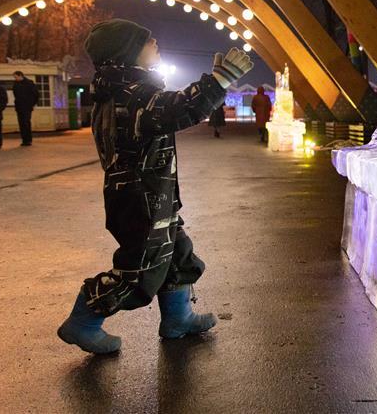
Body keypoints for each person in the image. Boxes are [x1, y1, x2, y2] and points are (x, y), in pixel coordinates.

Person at [57, 19, 252, 354]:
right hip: (140, 199)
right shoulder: (130, 94)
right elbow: (179, 109)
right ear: (126, 51)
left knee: (177, 254)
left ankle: (178, 317)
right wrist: (219, 80)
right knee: (138, 271)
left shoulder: (125, 89)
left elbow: (171, 107)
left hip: (153, 195)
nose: (155, 43)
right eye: (147, 41)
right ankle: (83, 320)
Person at [12, 70, 39, 146]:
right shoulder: (16, 84)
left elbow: (36, 94)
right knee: (21, 124)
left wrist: (31, 104)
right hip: (19, 107)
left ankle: (28, 140)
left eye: (16, 77)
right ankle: (24, 140)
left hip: (27, 107)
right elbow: (15, 95)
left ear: (20, 75)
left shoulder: (29, 83)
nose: (15, 79)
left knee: (26, 123)